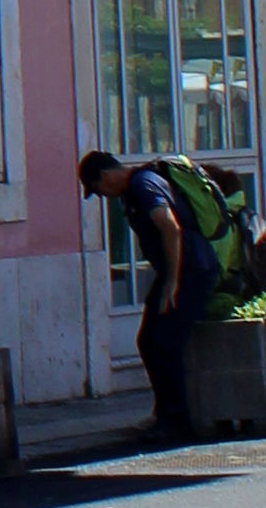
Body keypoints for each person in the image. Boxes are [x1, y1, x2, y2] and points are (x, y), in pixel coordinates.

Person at [77, 146, 203, 441]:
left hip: (190, 271)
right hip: (179, 271)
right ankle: (165, 414)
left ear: (107, 176)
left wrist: (172, 281)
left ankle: (176, 420)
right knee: (149, 340)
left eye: (98, 189)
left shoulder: (142, 185)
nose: (103, 196)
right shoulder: (135, 189)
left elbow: (170, 228)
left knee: (164, 341)